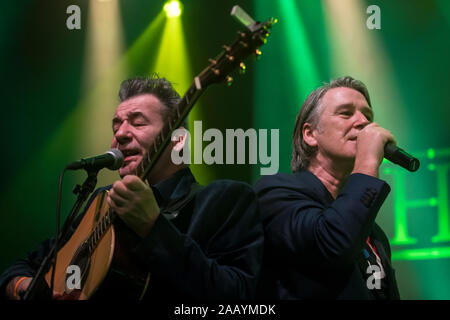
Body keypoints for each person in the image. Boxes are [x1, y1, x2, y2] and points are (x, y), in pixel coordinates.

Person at [0, 74, 263, 300]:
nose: (121, 134)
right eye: (117, 125)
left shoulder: (226, 199)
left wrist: (154, 228)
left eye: (137, 123)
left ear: (179, 140)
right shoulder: (102, 202)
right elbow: (25, 265)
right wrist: (25, 287)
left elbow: (237, 296)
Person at [255, 76, 400, 299]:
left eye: (368, 116)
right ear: (310, 134)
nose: (363, 122)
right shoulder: (276, 193)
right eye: (346, 113)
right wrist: (367, 162)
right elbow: (333, 244)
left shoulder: (374, 233)